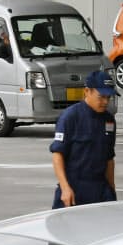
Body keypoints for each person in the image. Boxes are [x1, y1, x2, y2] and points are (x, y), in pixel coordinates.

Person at [49, 71, 117, 209]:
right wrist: (65, 188)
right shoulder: (70, 117)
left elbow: (109, 159)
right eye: (101, 96)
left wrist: (112, 189)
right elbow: (57, 156)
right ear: (87, 91)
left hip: (100, 190)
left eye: (108, 97)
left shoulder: (109, 121)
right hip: (74, 190)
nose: (105, 102)